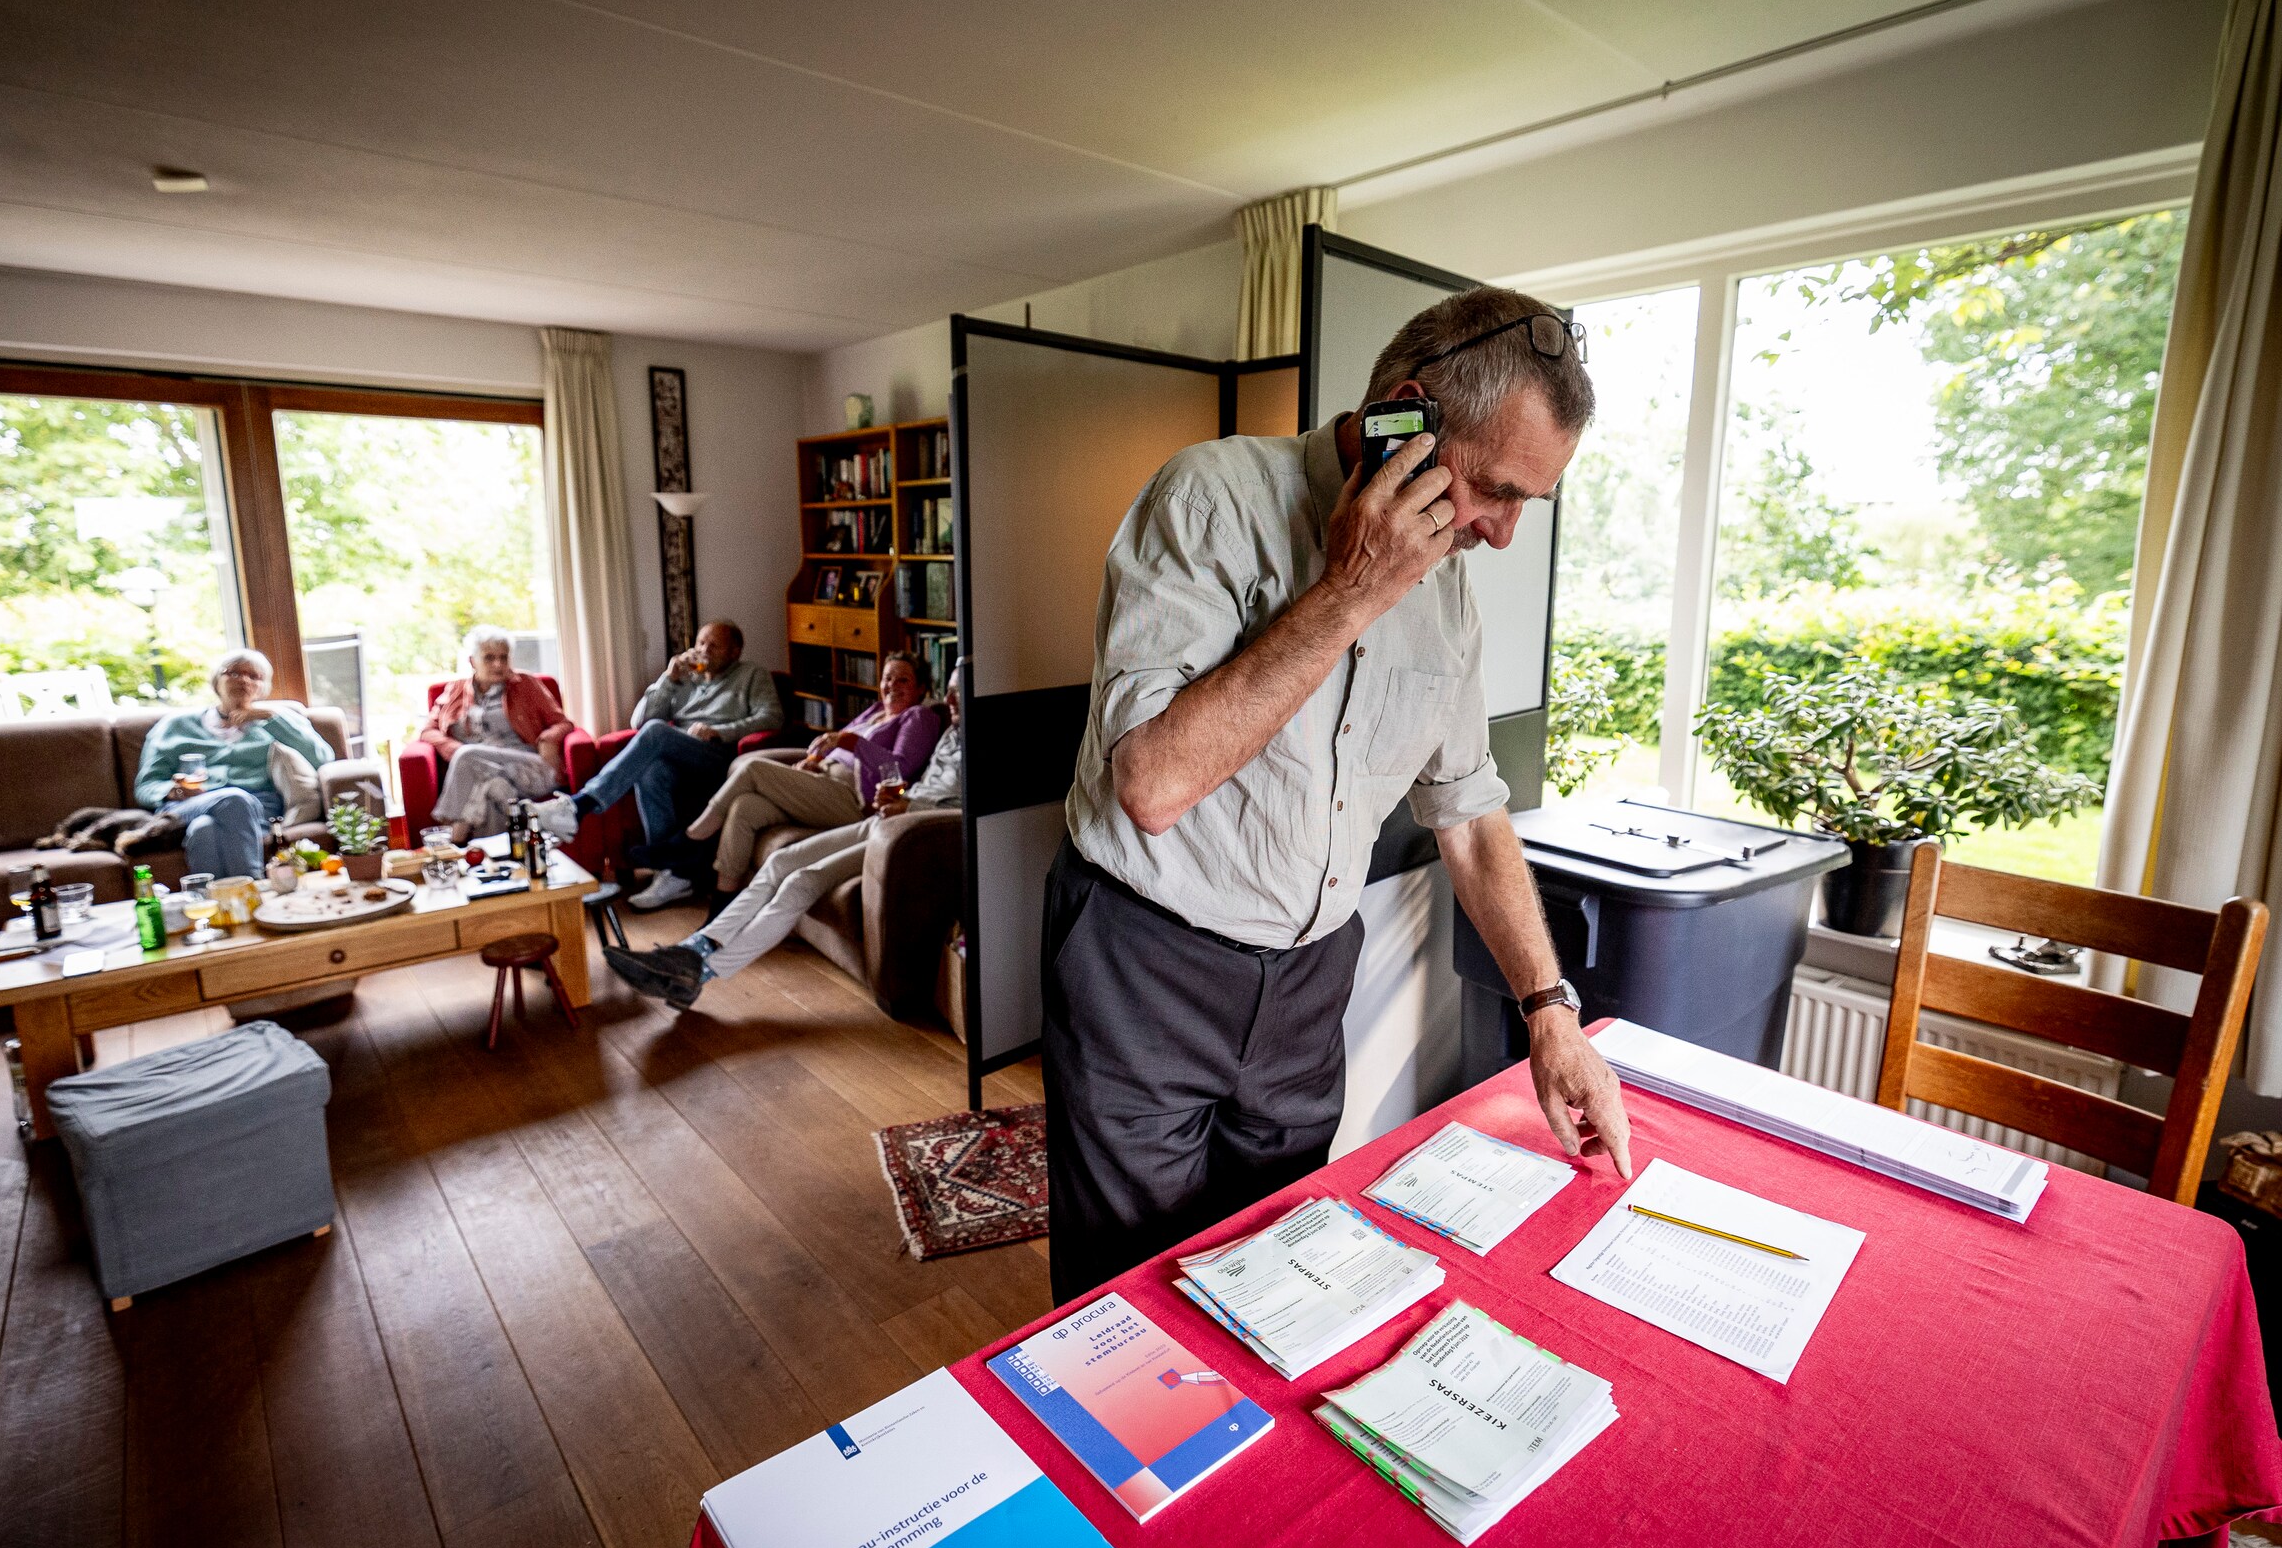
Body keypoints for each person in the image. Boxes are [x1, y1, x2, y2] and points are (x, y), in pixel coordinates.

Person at [1046, 285, 1637, 1303]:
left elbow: (1468, 810)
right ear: (1404, 414)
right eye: (1491, 489)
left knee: (1268, 1287)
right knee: (1126, 1310)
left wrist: (1549, 1011)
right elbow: (1150, 784)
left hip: (1309, 986)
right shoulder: (1208, 499)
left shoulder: (1447, 587)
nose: (1498, 533)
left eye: (1522, 506)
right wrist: (1350, 591)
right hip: (1145, 963)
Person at [613, 665, 962, 1009]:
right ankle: (694, 947)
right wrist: (894, 797)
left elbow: (968, 807)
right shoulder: (950, 732)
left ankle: (698, 967)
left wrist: (908, 807)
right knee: (780, 859)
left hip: (906, 828)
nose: (950, 699)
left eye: (959, 690)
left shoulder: (952, 730)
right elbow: (911, 781)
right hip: (885, 816)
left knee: (801, 880)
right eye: (948, 690)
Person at [531, 619, 779, 909]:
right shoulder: (686, 678)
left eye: (714, 645)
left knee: (657, 731)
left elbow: (770, 717)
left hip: (720, 758)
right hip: (680, 757)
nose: (703, 650)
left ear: (735, 652)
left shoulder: (752, 675)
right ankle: (675, 874)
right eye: (700, 643)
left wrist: (722, 731)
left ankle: (578, 806)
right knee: (651, 771)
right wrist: (668, 679)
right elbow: (640, 721)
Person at [672, 652, 943, 901]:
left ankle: (691, 842)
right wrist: (812, 761)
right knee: (745, 808)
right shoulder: (875, 712)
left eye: (903, 680)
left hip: (854, 800)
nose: (892, 686)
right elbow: (830, 743)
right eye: (887, 678)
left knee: (753, 768)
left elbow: (901, 767)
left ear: (921, 688)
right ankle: (720, 911)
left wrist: (850, 742)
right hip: (823, 784)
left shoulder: (919, 717)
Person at [133, 648, 335, 879]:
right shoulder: (174, 726)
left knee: (204, 830)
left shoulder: (277, 720)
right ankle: (256, 890)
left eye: (254, 676)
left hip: (257, 810)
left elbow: (322, 758)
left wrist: (270, 718)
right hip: (191, 806)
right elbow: (145, 787)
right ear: (216, 681)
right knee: (234, 799)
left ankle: (215, 906)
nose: (244, 681)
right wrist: (173, 790)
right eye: (234, 673)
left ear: (264, 687)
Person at [415, 626, 581, 842]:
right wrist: (453, 749)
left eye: (504, 657)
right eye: (489, 658)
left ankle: (449, 834)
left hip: (529, 768)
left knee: (468, 756)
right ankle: (496, 864)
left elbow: (563, 723)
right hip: (487, 772)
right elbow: (428, 731)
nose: (498, 664)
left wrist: (548, 738)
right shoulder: (455, 691)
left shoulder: (526, 684)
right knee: (494, 788)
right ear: (473, 661)